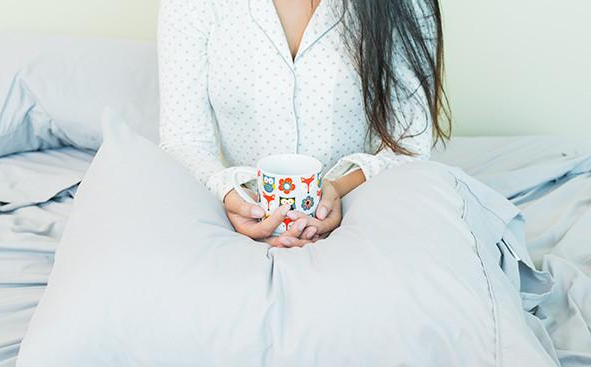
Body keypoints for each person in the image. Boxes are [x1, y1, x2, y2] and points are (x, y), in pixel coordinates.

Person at [158, 0, 450, 248]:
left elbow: (409, 144)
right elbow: (184, 140)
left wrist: (336, 189)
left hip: (361, 215)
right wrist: (232, 196)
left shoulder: (406, 5)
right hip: (236, 227)